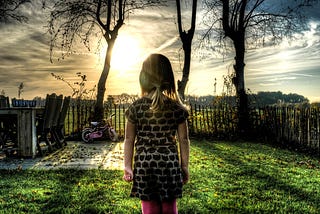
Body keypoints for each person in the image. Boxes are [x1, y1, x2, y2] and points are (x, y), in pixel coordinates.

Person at [123, 53, 190, 214]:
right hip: (169, 164)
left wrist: (127, 166)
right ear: (168, 77)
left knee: (150, 209)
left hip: (145, 165)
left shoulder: (135, 107)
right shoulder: (177, 109)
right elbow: (184, 140)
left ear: (143, 77)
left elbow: (129, 139)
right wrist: (184, 166)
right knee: (169, 208)